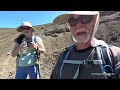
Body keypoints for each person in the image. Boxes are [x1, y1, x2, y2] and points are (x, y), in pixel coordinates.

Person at [50, 11, 120, 79]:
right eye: (72, 21)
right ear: (69, 28)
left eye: (85, 19)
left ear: (94, 22)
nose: (78, 25)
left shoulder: (114, 55)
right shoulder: (63, 57)